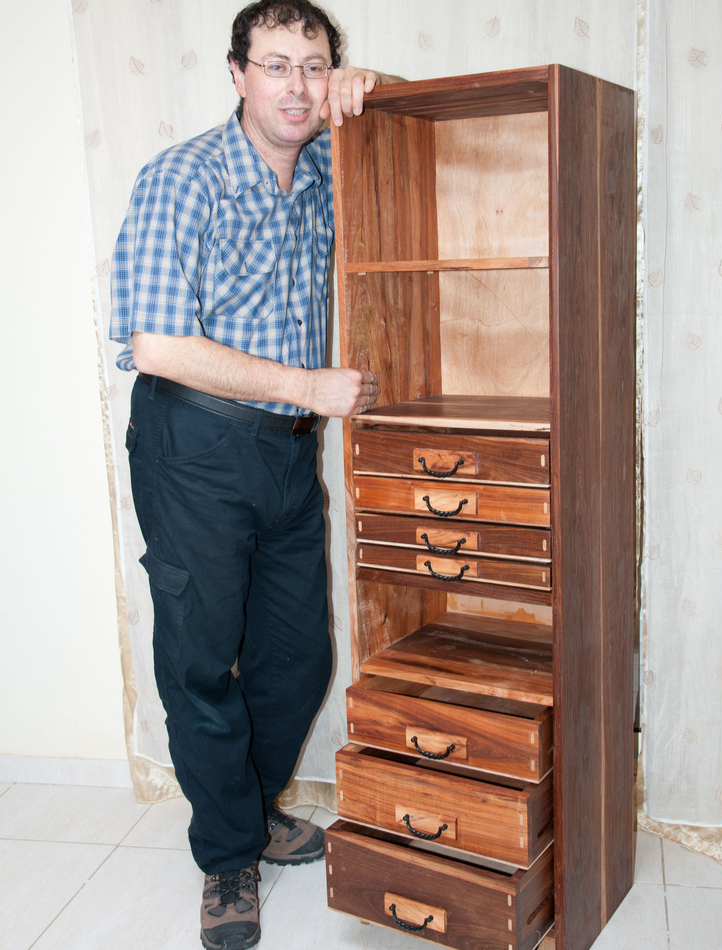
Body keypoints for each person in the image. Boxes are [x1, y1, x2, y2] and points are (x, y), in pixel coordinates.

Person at [109, 3, 400, 947]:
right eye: (277, 66)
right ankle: (229, 856)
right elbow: (157, 343)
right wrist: (307, 385)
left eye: (316, 68)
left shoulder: (322, 166)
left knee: (297, 657)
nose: (298, 88)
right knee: (201, 664)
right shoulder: (183, 179)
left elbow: (399, 128)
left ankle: (252, 807)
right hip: (192, 444)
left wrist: (376, 91)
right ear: (237, 74)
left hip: (284, 451)